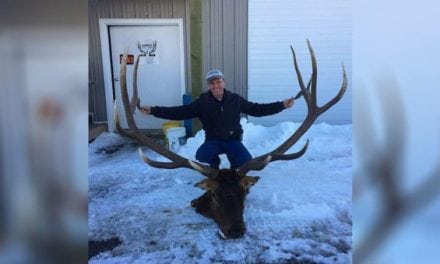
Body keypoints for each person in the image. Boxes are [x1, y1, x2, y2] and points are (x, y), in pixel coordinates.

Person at [139, 69, 294, 169]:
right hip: (213, 141)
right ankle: (215, 165)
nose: (216, 85)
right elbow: (179, 112)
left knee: (246, 164)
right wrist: (153, 110)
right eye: (212, 83)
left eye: (218, 81)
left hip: (233, 141)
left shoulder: (235, 100)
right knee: (201, 156)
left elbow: (258, 110)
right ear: (208, 86)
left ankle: (234, 167)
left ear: (223, 82)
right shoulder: (202, 103)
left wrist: (281, 105)